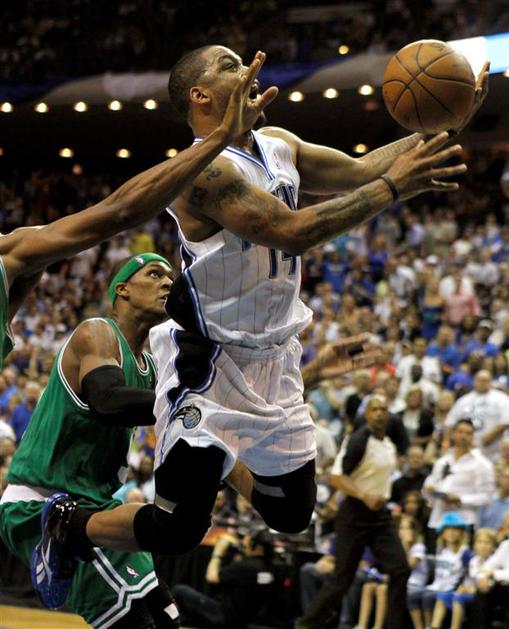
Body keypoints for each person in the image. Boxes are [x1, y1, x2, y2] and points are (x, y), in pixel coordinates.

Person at [38, 45, 484, 602]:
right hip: (210, 361)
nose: (248, 69)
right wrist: (394, 187)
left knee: (291, 515)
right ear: (200, 96)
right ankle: (71, 525)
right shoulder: (202, 171)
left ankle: (219, 456)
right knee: (179, 529)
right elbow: (292, 231)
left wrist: (446, 123)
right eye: (229, 65)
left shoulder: (280, 144)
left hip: (276, 357)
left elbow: (362, 170)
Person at [0, 50, 275, 371]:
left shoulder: (13, 253)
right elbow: (118, 212)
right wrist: (221, 136)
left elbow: (117, 213)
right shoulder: (18, 256)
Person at [0, 254, 182, 627]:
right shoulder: (96, 332)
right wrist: (185, 402)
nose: (168, 282)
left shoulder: (151, 368)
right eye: (154, 274)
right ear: (122, 289)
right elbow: (108, 400)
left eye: (171, 276)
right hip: (44, 504)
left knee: (166, 616)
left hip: (97, 508)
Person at [296, 395, 410, 629]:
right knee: (342, 579)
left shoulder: (388, 444)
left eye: (383, 409)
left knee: (400, 568)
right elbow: (336, 477)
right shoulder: (358, 439)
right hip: (354, 514)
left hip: (379, 515)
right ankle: (307, 624)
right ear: (366, 414)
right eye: (374, 409)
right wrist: (364, 496)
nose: (379, 413)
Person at [172, 529, 276, 628]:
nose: (244, 545)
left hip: (223, 617)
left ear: (257, 546)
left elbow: (211, 577)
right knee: (186, 618)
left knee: (179, 590)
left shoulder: (246, 566)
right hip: (244, 621)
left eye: (247, 543)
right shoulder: (267, 569)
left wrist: (218, 552)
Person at [423, 418, 496, 532]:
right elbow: (428, 488)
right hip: (438, 519)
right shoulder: (442, 461)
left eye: (468, 433)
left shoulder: (482, 464)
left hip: (464, 520)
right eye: (460, 432)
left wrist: (461, 499)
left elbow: (487, 497)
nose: (463, 436)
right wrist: (430, 490)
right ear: (453, 434)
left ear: (473, 436)